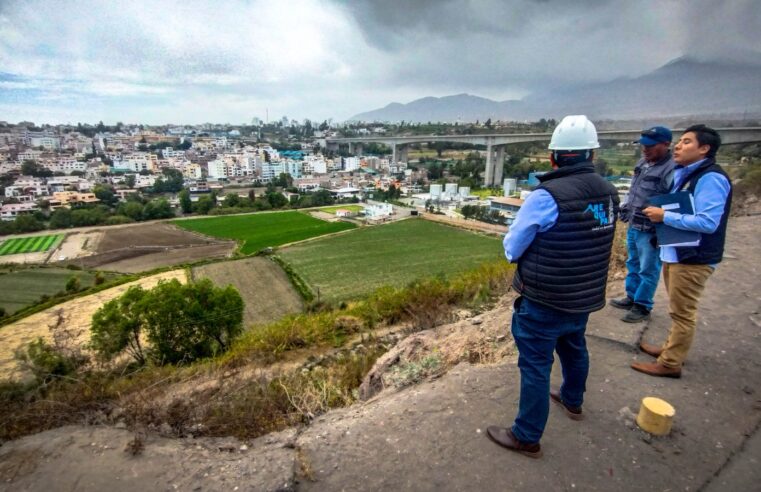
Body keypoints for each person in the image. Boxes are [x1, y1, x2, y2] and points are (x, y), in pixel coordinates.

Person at [487, 115, 619, 458]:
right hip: (584, 294)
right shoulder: (608, 192)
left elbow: (512, 247)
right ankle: (573, 401)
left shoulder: (546, 196)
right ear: (591, 154)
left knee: (535, 365)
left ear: (553, 157)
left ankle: (526, 436)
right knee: (574, 346)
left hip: (545, 297)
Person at [631, 125, 732, 378]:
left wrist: (665, 215)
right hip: (678, 251)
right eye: (680, 141)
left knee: (683, 312)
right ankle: (669, 349)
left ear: (704, 149)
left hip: (694, 257)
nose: (678, 145)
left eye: (687, 142)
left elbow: (709, 222)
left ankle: (670, 363)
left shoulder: (710, 178)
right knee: (677, 310)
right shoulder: (686, 174)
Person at [610, 126, 676, 322]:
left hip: (651, 229)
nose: (645, 150)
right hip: (634, 223)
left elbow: (674, 200)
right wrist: (625, 207)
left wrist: (664, 227)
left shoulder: (671, 169)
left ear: (666, 144)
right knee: (633, 263)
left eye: (650, 146)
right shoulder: (643, 163)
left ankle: (643, 305)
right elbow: (633, 191)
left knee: (649, 267)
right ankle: (631, 296)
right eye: (643, 146)